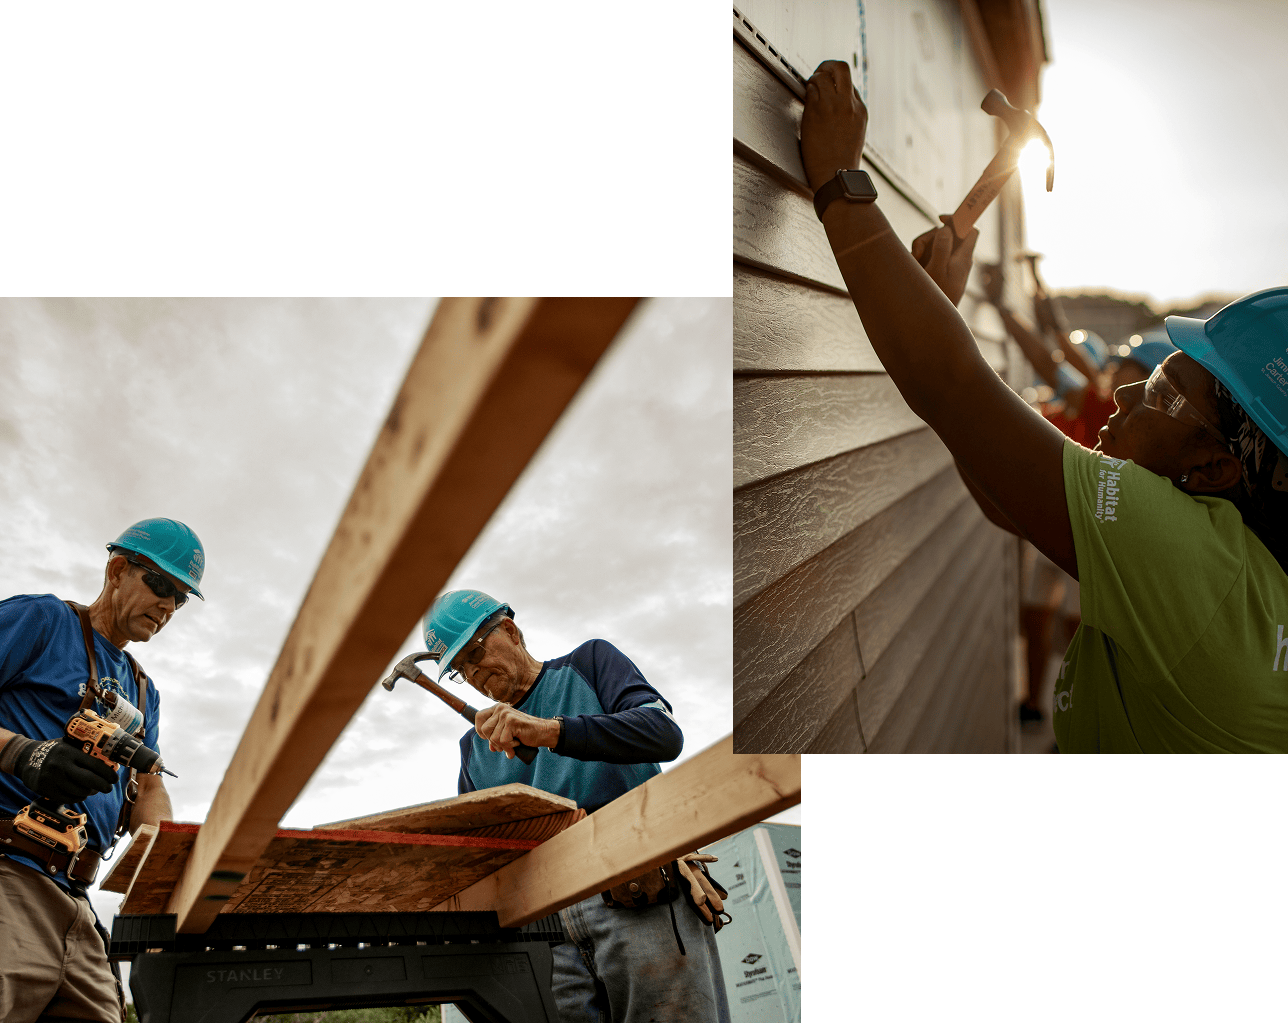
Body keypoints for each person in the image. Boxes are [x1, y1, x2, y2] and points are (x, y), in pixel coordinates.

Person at [801, 59, 1288, 752]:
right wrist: (935, 311)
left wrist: (838, 183)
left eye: (1160, 392)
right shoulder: (1253, 576)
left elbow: (956, 389)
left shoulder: (1199, 560)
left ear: (1214, 468)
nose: (1120, 390)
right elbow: (1004, 489)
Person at [423, 588, 730, 1021]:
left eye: (475, 653)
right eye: (459, 669)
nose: (474, 674)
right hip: (545, 935)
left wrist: (551, 731)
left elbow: (663, 734)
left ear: (510, 631)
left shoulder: (589, 664)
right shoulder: (473, 749)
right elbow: (480, 857)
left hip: (637, 897)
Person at [0, 518, 204, 1020]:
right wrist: (22, 754)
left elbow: (149, 788)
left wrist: (165, 855)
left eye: (180, 600)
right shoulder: (44, 622)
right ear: (117, 570)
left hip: (77, 899)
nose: (168, 607)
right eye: (162, 586)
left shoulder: (142, 691)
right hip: (10, 876)